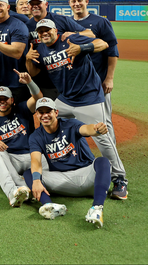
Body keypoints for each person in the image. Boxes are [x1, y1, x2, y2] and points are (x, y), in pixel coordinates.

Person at [25, 19, 128, 199]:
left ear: (55, 30)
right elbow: (33, 73)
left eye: (47, 30)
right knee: (46, 120)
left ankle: (119, 178)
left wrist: (82, 48)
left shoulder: (69, 39)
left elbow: (102, 43)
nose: (44, 34)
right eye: (41, 32)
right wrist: (28, 59)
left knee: (102, 138)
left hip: (89, 98)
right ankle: (51, 163)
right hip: (65, 99)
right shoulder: (40, 48)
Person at [23, 98, 112, 228]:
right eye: (41, 112)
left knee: (103, 162)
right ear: (37, 115)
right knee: (29, 174)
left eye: (48, 111)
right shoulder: (36, 136)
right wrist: (36, 181)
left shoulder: (70, 124)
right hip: (62, 179)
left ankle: (97, 208)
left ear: (56, 112)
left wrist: (96, 130)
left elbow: (86, 129)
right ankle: (49, 205)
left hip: (87, 177)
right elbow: (36, 160)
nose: (45, 115)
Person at [67, 0, 120, 141]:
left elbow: (112, 51)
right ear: (69, 4)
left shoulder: (100, 22)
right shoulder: (67, 23)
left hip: (98, 80)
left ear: (86, 2)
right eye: (73, 1)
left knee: (104, 120)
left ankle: (112, 156)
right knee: (72, 120)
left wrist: (109, 78)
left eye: (80, 0)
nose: (77, 4)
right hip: (75, 82)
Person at [23, 0, 92, 100]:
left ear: (46, 4)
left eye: (38, 3)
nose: (35, 7)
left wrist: (74, 33)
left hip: (64, 72)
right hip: (42, 74)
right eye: (32, 4)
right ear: (29, 6)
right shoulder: (27, 26)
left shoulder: (60, 19)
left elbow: (90, 34)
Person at [0, 76, 45, 186]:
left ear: (12, 100)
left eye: (5, 99)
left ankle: (30, 182)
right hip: (11, 160)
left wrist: (29, 82)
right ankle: (20, 182)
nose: (2, 102)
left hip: (32, 155)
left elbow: (38, 98)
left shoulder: (22, 108)